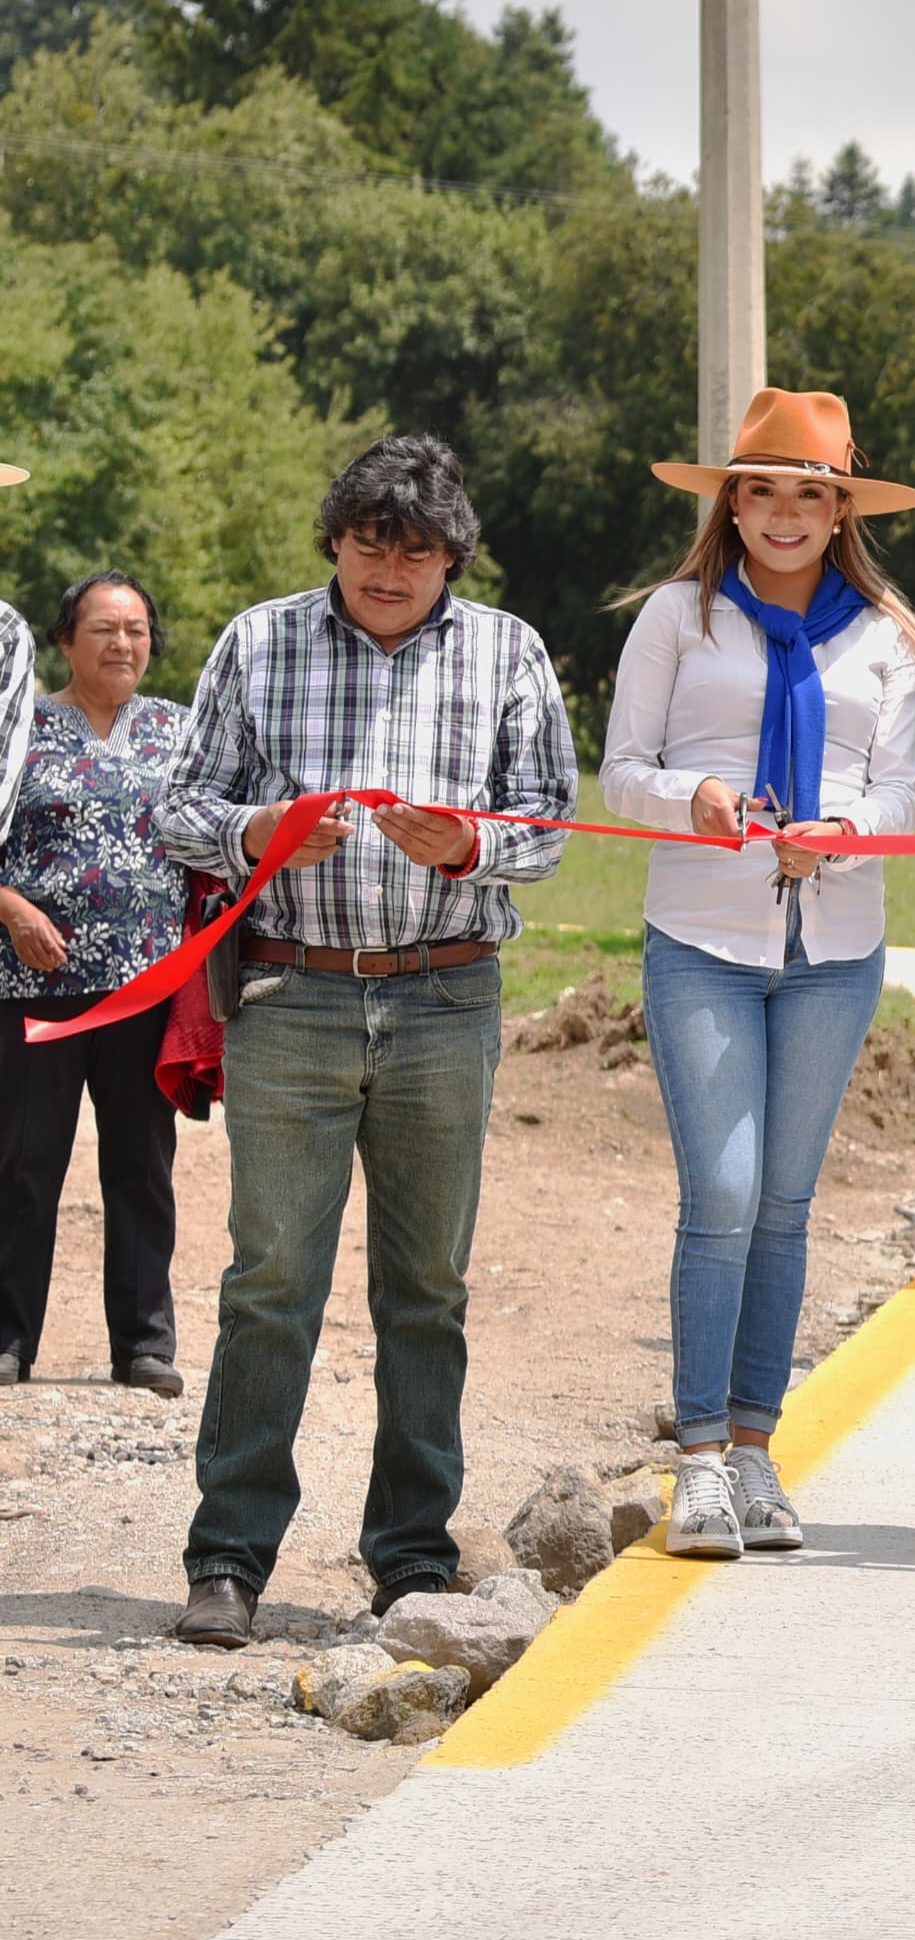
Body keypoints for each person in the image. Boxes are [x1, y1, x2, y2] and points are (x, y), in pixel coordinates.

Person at [153, 437, 576, 1648]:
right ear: (335, 539)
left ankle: (411, 1558)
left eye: (421, 548)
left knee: (426, 1289)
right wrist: (260, 832)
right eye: (372, 540)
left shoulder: (509, 649)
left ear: (455, 555)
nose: (393, 567)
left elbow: (547, 818)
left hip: (449, 999)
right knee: (270, 1284)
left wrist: (473, 850)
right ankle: (227, 1556)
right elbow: (180, 806)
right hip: (292, 997)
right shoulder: (258, 639)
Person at [602, 389, 915, 1559]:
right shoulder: (677, 618)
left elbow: (901, 790)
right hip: (703, 938)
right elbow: (619, 773)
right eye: (761, 490)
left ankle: (755, 1450)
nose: (784, 514)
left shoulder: (888, 635)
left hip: (834, 948)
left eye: (810, 493)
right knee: (727, 1194)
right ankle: (694, 1457)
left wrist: (845, 824)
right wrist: (684, 796)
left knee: (787, 1207)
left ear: (841, 507)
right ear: (730, 502)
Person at [0, 570, 187, 1394]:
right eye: (104, 629)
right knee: (23, 1162)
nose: (122, 644)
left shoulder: (181, 733)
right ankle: (7, 1340)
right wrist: (10, 906)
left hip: (148, 989)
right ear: (66, 640)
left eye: (137, 630)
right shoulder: (20, 729)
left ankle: (143, 1345)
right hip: (33, 984)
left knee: (140, 1166)